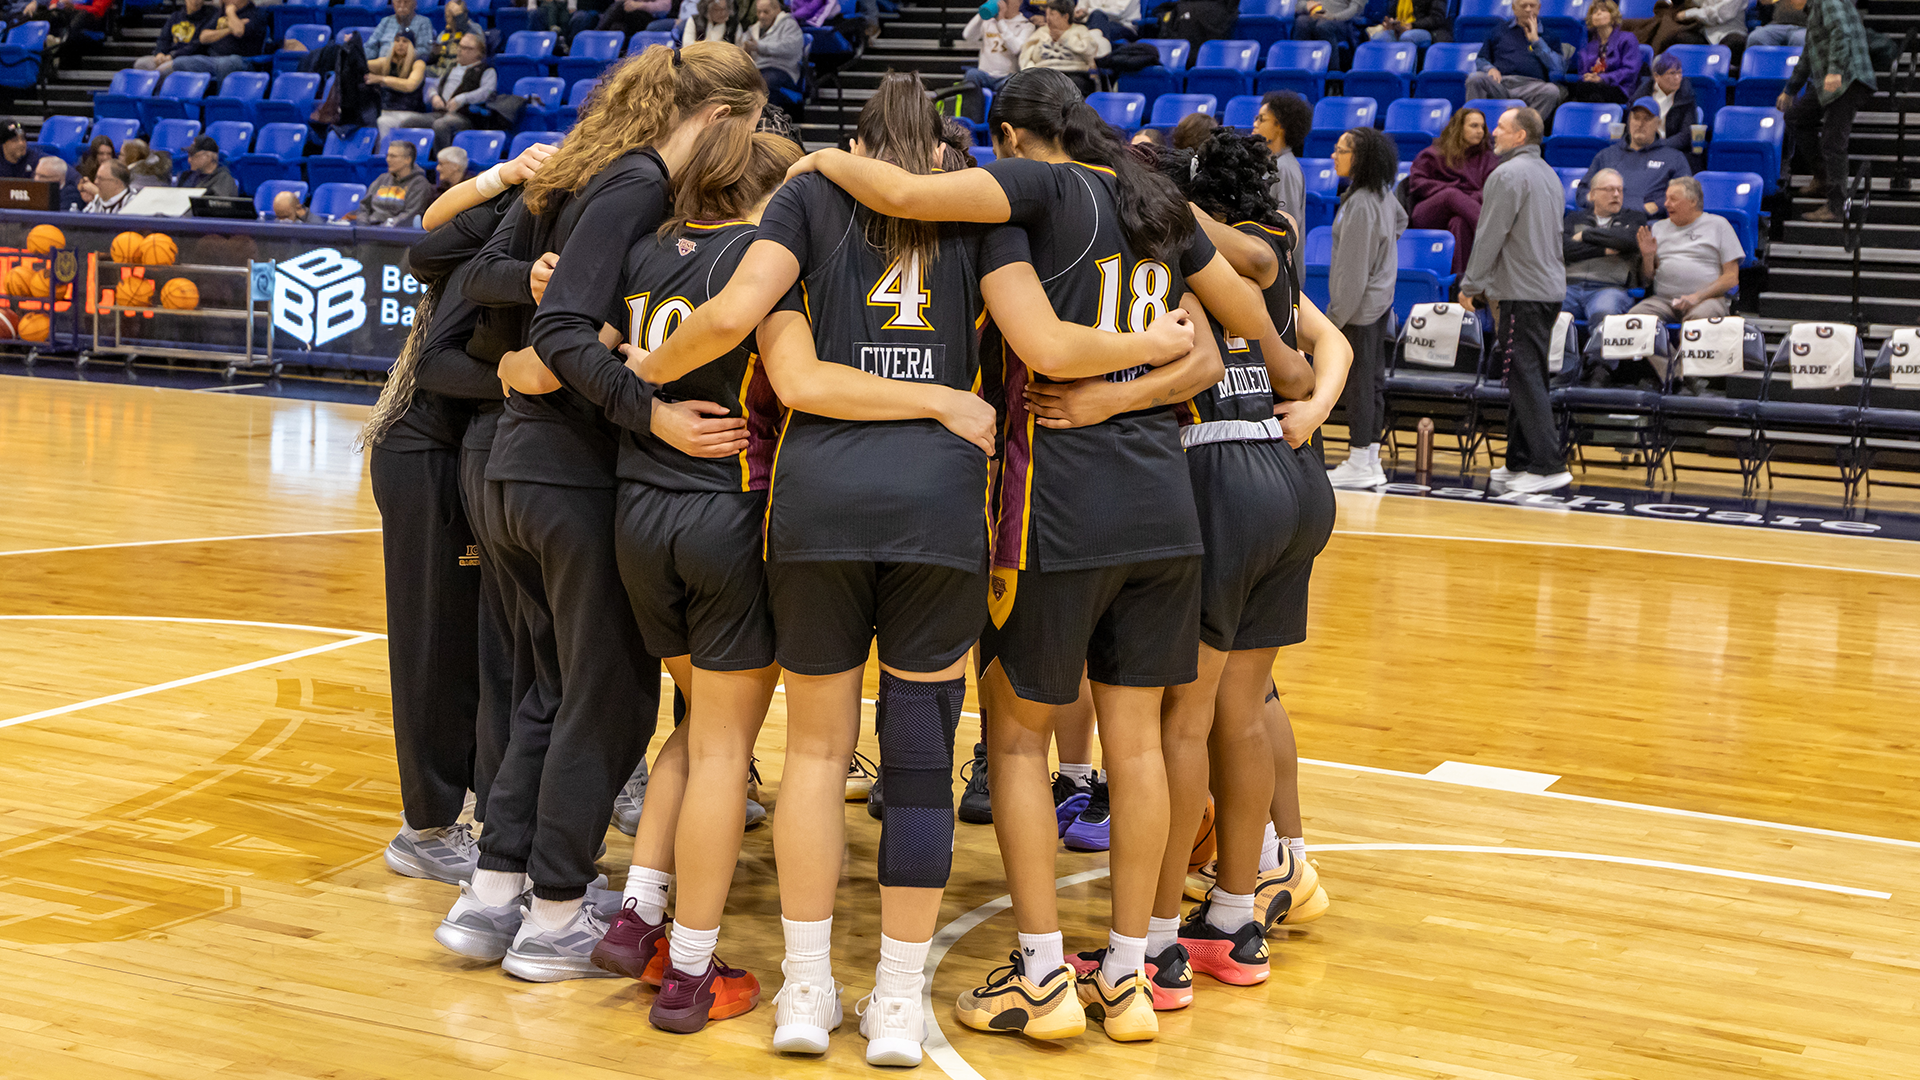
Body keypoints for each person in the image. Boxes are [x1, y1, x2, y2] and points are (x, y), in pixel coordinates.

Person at [633, 69, 1203, 1058]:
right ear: (943, 150)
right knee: (918, 764)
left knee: (813, 757)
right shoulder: (983, 211)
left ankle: (807, 994)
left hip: (817, 509)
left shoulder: (810, 194)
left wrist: (625, 375)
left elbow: (736, 329)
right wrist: (1131, 349)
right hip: (941, 514)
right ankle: (897, 1003)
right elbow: (1043, 343)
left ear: (856, 140)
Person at [787, 66, 1296, 1047]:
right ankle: (1135, 970)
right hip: (1163, 506)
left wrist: (812, 155)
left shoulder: (1035, 192)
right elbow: (1246, 320)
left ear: (1013, 137)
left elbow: (911, 204)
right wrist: (1141, 379)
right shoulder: (1151, 197)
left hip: (1059, 508)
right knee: (1138, 745)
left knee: (1018, 741)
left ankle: (1041, 974)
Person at [434, 41, 763, 986]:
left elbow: (511, 292)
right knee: (605, 701)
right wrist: (648, 405)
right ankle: (555, 916)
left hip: (515, 469)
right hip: (569, 473)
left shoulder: (590, 174)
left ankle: (493, 895)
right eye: (748, 130)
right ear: (720, 119)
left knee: (546, 691)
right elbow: (561, 331)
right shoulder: (632, 184)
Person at [497, 131, 797, 1036]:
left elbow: (555, 356)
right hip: (725, 509)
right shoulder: (768, 259)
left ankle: (635, 916)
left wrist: (632, 376)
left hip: (636, 517)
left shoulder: (636, 251)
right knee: (721, 748)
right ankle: (693, 973)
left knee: (702, 725)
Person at [1145, 129, 1347, 1009]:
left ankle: (1150, 941)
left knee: (1185, 721)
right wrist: (1317, 400)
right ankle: (1241, 903)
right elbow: (1328, 347)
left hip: (1227, 470)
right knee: (1247, 704)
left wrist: (1129, 187)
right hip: (1291, 472)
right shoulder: (1279, 250)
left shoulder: (1229, 251)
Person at [1458, 107, 1570, 494]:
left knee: (1523, 378)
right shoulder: (1550, 175)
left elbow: (1490, 235)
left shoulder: (1507, 175)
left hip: (1523, 291)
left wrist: (1471, 284)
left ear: (1520, 136)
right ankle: (1520, 462)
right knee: (1528, 376)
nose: (1494, 134)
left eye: (1502, 129)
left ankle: (1548, 464)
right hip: (1547, 289)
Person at [1324, 127, 1404, 490]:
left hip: (1358, 307)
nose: (1333, 156)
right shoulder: (1382, 195)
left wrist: (1334, 319)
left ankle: (1359, 459)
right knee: (1372, 382)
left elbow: (1352, 272)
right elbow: (1401, 221)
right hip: (1379, 302)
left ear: (1361, 158)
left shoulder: (1359, 204)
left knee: (1358, 384)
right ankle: (1369, 457)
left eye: (1341, 150)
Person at [1626, 175, 1744, 376]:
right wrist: (1647, 256)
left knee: (1697, 320)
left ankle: (1679, 378)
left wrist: (1696, 297)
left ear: (1693, 201)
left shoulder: (1718, 225)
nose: (1666, 204)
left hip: (1707, 299)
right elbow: (1648, 278)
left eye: (1673, 199)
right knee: (1633, 321)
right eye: (1666, 198)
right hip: (1664, 299)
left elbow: (1731, 277)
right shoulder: (1659, 227)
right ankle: (1676, 374)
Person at [1781, 0, 1875, 224]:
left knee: (1833, 143)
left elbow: (1841, 33)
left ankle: (1836, 206)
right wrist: (1790, 89)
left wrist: (1835, 70)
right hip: (1830, 81)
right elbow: (1808, 54)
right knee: (1796, 117)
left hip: (1847, 78)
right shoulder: (1814, 10)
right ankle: (1822, 177)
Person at [1560, 166, 1646, 379]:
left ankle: (1601, 369)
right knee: (1548, 309)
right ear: (1593, 194)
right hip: (1570, 284)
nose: (1616, 195)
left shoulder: (1633, 219)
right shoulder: (1573, 219)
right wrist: (1603, 249)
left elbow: (1627, 241)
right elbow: (1565, 249)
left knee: (1604, 312)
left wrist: (1586, 235)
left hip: (1609, 286)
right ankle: (1562, 368)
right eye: (1609, 189)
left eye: (1619, 190)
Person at [1407, 106, 1497, 276]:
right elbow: (1417, 184)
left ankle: (1460, 285)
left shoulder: (1488, 158)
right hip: (1430, 211)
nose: (1480, 131)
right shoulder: (1434, 153)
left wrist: (1466, 197)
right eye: (1474, 126)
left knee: (1459, 223)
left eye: (1482, 127)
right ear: (1459, 127)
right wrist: (1451, 191)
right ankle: (1492, 234)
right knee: (1451, 195)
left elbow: (1490, 189)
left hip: (1466, 212)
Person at [1581, 96, 1691, 217]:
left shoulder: (1674, 158)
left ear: (1658, 123)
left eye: (1647, 119)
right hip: (1607, 223)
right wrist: (1597, 200)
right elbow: (1582, 192)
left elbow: (1685, 194)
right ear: (1629, 121)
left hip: (1648, 224)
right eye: (1636, 118)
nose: (1640, 124)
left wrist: (1658, 206)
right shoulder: (1606, 155)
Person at [1464, 0, 1566, 121]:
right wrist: (1489, 68)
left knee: (1552, 91)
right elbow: (1481, 59)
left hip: (1533, 87)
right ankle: (1475, 126)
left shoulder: (1550, 35)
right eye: (1523, 5)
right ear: (1514, 8)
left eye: (1532, 6)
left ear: (1538, 8)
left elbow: (1559, 67)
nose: (1528, 9)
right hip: (1501, 83)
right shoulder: (1499, 31)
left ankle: (1524, 130)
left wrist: (1536, 41)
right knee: (1475, 78)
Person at [1017, 0, 1109, 96]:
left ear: (1065, 16)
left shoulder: (1080, 30)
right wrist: (1033, 73)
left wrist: (1064, 37)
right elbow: (1026, 57)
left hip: (1075, 72)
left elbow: (1089, 52)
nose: (1048, 18)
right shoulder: (1040, 32)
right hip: (1045, 73)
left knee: (1073, 88)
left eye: (1052, 14)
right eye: (1047, 14)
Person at [1252, 91, 1311, 229]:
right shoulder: (1272, 163)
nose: (1255, 124)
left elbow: (1288, 226)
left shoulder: (1284, 168)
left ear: (1280, 125)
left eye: (1262, 119)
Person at [169, 0, 267, 84]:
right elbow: (203, 37)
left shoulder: (256, 13)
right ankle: (185, 102)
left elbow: (238, 31)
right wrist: (228, 30)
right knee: (180, 62)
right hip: (213, 59)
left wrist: (230, 12)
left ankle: (221, 103)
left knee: (226, 63)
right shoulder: (219, 14)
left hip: (243, 61)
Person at [1563, 0, 1639, 105]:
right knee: (1572, 87)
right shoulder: (1589, 45)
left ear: (1613, 16)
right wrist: (1589, 77)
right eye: (1594, 11)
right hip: (1592, 87)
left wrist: (1603, 78)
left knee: (1586, 89)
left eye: (1603, 10)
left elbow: (1630, 71)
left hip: (1619, 88)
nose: (1598, 13)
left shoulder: (1627, 39)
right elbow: (1583, 71)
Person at [1629, 53, 1698, 155]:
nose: (1677, 78)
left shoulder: (1686, 95)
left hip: (1674, 151)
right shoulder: (1641, 95)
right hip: (1643, 149)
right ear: (1657, 76)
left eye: (1680, 73)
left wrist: (1659, 145)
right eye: (1672, 73)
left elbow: (1686, 135)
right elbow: (1631, 126)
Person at [359, 138, 434, 226]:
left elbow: (411, 214)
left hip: (395, 233)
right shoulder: (382, 179)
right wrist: (363, 224)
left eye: (393, 156)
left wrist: (383, 228)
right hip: (369, 229)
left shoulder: (419, 184)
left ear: (408, 160)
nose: (388, 159)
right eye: (387, 155)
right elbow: (364, 207)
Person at [371, 32, 431, 140]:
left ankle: (384, 154)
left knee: (383, 122)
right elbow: (361, 63)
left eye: (405, 41)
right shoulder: (385, 63)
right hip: (386, 111)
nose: (400, 44)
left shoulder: (418, 64)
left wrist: (383, 79)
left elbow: (410, 85)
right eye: (397, 41)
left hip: (410, 112)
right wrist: (352, 46)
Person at [962, 0, 1031, 93]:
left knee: (1012, 83)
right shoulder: (988, 21)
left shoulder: (1026, 25)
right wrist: (982, 13)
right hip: (984, 74)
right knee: (971, 74)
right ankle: (971, 108)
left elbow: (1016, 49)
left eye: (1006, 1)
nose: (1002, 3)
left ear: (1019, 2)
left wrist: (1001, 23)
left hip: (1006, 76)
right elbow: (967, 36)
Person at [739, 0, 804, 98]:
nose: (761, 16)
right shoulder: (753, 29)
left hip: (782, 70)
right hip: (758, 70)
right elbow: (741, 46)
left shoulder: (790, 25)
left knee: (762, 83)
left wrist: (759, 46)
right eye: (759, 12)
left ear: (777, 10)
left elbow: (790, 48)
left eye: (766, 12)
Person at [135, 0, 213, 72]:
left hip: (189, 58)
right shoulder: (175, 16)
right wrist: (160, 53)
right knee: (141, 63)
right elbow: (164, 39)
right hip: (168, 56)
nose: (195, 1)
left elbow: (197, 44)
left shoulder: (209, 17)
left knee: (164, 69)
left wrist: (173, 56)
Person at [1670, 0, 1746, 66]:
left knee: (1734, 43)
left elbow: (1720, 14)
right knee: (1678, 38)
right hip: (1706, 35)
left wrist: (1689, 13)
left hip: (1730, 33)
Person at [366, 0, 434, 66]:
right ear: (393, 4)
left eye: (406, 2)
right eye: (398, 2)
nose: (402, 6)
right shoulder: (385, 21)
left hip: (408, 67)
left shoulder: (423, 22)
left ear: (414, 4)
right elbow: (371, 46)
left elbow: (425, 51)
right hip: (381, 65)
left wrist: (397, 56)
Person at [1290, 0, 1364, 52]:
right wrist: (1307, 6)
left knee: (1323, 26)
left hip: (1342, 19)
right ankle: (1299, 65)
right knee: (1301, 22)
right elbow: (1299, 4)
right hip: (1315, 14)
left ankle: (1334, 70)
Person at [1368, 0, 1449, 45]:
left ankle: (1404, 72)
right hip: (1400, 28)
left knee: (1407, 37)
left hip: (1426, 30)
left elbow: (1437, 18)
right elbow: (1391, 13)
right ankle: (1386, 73)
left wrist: (1412, 25)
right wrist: (1390, 22)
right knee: (1378, 37)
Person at [429, 0, 472, 73]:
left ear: (464, 15)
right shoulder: (443, 33)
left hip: (459, 70)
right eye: (447, 15)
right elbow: (436, 58)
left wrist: (459, 16)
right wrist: (434, 53)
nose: (449, 19)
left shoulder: (472, 30)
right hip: (440, 70)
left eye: (453, 15)